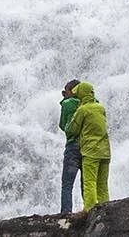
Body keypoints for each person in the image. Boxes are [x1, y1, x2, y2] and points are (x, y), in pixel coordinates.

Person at [66, 80, 110, 212]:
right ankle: (106, 210)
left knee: (89, 182)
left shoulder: (83, 110)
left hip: (90, 151)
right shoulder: (101, 108)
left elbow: (72, 130)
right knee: (102, 184)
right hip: (105, 151)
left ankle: (89, 211)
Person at [56, 79, 83, 213]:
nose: (63, 95)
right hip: (88, 146)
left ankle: (66, 213)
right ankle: (89, 210)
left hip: (72, 146)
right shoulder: (91, 103)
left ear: (71, 92)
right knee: (87, 182)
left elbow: (62, 125)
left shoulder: (67, 103)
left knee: (67, 184)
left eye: (64, 92)